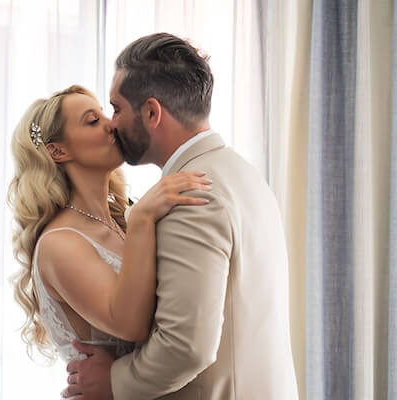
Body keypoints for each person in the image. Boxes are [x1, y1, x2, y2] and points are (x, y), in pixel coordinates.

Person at [62, 33, 299, 399]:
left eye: (117, 108)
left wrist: (113, 381)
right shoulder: (242, 173)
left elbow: (186, 347)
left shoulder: (190, 194)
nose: (113, 124)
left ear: (152, 113)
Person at [7, 85, 211, 378]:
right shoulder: (59, 244)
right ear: (58, 150)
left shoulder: (122, 222)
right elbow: (129, 324)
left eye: (106, 113)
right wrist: (142, 219)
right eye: (93, 120)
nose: (112, 124)